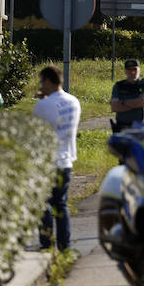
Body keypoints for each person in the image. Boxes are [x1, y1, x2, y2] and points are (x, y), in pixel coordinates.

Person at [33, 66, 80, 251]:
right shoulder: (74, 102)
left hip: (47, 161)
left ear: (47, 81)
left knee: (44, 203)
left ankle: (46, 243)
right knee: (61, 203)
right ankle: (64, 245)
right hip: (66, 159)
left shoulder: (42, 105)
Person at [110, 59, 144, 133]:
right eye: (129, 70)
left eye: (135, 69)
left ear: (139, 70)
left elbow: (142, 102)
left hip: (139, 128)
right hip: (121, 127)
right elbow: (114, 107)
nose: (132, 72)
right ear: (125, 71)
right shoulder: (119, 85)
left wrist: (122, 102)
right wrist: (135, 103)